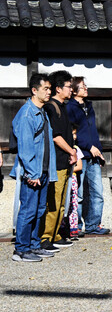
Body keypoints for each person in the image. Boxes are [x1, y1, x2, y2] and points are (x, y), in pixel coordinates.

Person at [11, 73, 56, 262]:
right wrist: (32, 172)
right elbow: (26, 146)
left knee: (38, 210)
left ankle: (34, 245)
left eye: (50, 88)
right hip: (33, 171)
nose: (49, 92)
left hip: (43, 169)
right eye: (45, 88)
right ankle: (21, 250)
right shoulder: (28, 113)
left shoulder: (43, 112)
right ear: (34, 90)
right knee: (28, 210)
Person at [66, 77, 110, 235]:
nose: (86, 88)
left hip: (94, 154)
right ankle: (75, 225)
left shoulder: (89, 106)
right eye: (83, 86)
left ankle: (93, 224)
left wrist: (99, 151)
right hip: (80, 153)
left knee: (98, 192)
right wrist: (88, 147)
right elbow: (74, 134)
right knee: (79, 193)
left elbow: (94, 132)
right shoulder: (70, 107)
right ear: (75, 90)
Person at [39, 70, 77, 252]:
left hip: (65, 160)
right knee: (53, 201)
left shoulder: (62, 106)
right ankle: (46, 237)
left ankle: (56, 234)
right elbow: (55, 136)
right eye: (69, 87)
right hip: (56, 160)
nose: (72, 90)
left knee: (62, 201)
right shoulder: (51, 108)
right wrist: (72, 151)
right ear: (58, 88)